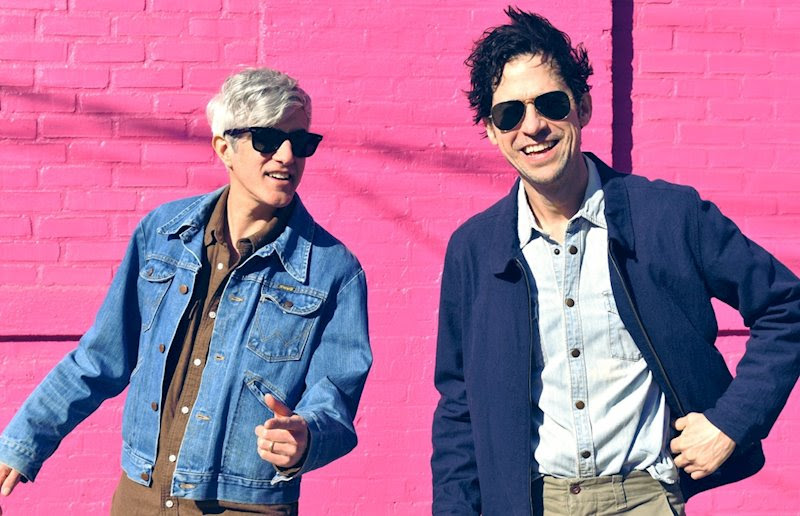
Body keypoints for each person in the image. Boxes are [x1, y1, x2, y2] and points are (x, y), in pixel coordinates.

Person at [431, 7, 800, 515]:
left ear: (582, 107)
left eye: (551, 104)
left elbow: (786, 307)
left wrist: (730, 423)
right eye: (509, 114)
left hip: (645, 498)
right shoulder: (474, 249)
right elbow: (458, 407)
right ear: (492, 132)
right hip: (532, 503)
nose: (532, 127)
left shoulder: (669, 216)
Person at [0, 67, 372, 515]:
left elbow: (335, 402)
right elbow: (101, 358)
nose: (288, 156)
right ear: (224, 148)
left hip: (244, 506)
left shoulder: (333, 270)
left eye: (301, 142)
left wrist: (307, 437)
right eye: (268, 140)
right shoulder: (162, 235)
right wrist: (23, 440)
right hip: (141, 497)